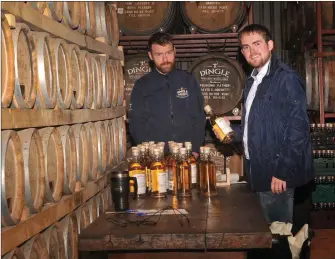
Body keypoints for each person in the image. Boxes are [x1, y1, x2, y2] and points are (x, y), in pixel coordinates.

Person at [214, 24, 314, 225]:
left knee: (277, 239)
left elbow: (298, 130)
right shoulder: (252, 81)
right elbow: (257, 127)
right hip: (258, 173)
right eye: (245, 47)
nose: (251, 51)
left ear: (270, 45)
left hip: (276, 175)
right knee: (264, 235)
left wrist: (282, 171)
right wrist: (231, 131)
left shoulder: (286, 79)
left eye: (256, 44)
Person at [128, 32, 206, 154]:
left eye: (168, 53)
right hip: (156, 156)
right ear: (150, 56)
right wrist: (150, 152)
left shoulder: (188, 80)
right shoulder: (142, 85)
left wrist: (195, 149)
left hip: (187, 153)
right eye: (159, 54)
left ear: (175, 51)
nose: (165, 59)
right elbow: (137, 123)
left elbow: (199, 117)